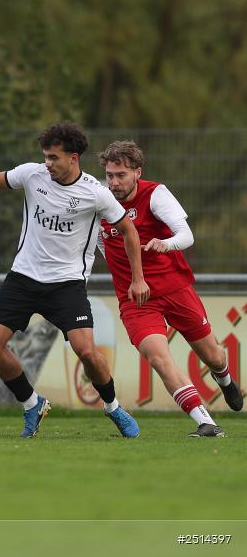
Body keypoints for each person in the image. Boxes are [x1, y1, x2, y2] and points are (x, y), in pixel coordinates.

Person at [0, 122, 149, 439]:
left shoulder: (95, 193)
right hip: (23, 278)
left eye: (54, 157)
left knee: (87, 352)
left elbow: (129, 230)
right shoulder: (32, 175)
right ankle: (32, 404)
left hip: (67, 285)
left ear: (73, 158)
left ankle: (113, 407)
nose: (48, 163)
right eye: (45, 156)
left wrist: (138, 279)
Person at [97, 140, 242, 437]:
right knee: (158, 357)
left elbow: (186, 234)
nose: (114, 182)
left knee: (213, 356)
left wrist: (167, 244)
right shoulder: (98, 200)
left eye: (121, 175)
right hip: (135, 299)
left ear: (137, 172)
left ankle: (225, 380)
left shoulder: (155, 194)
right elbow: (98, 243)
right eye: (110, 175)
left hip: (174, 287)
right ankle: (206, 422)